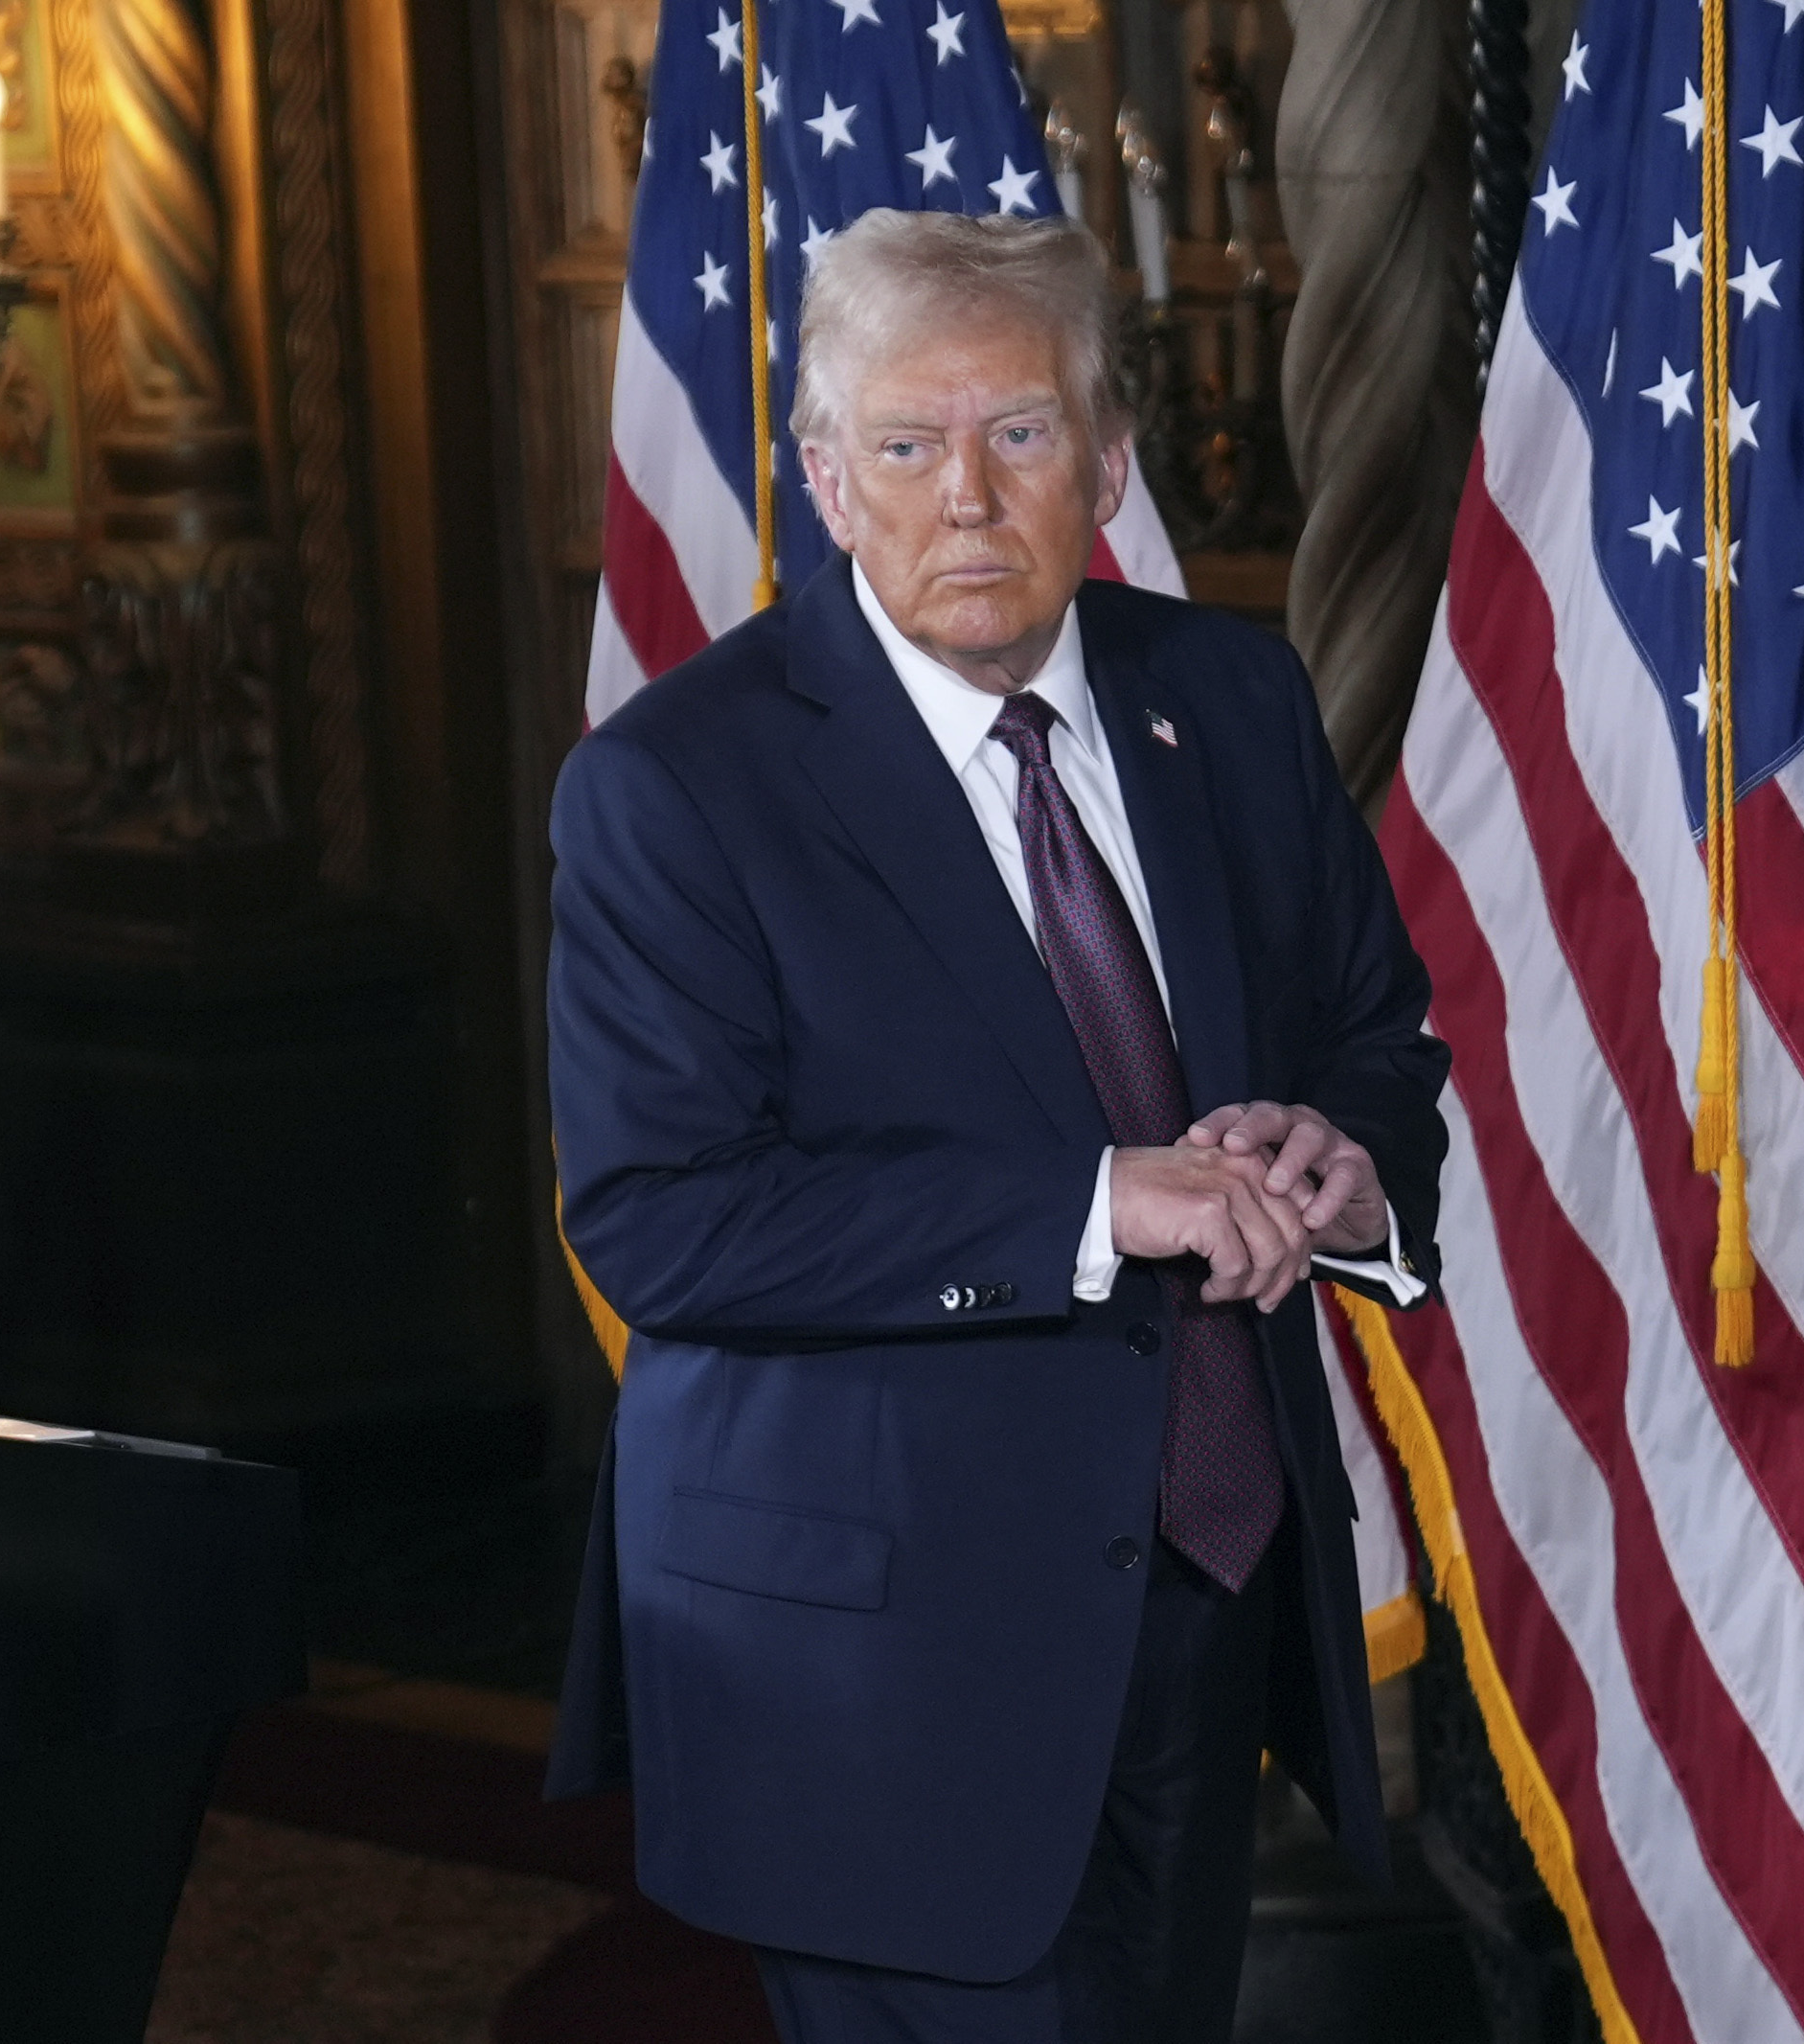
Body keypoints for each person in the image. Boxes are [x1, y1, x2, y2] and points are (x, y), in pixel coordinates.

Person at [543, 208, 1450, 2042]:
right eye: (905, 444)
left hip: (1202, 1598)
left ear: (1105, 461)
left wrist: (1342, 1166)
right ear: (822, 477)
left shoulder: (1232, 697)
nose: (967, 495)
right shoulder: (675, 786)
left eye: (1019, 434)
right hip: (883, 1659)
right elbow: (665, 1218)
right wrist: (1103, 1201)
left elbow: (1376, 1039)